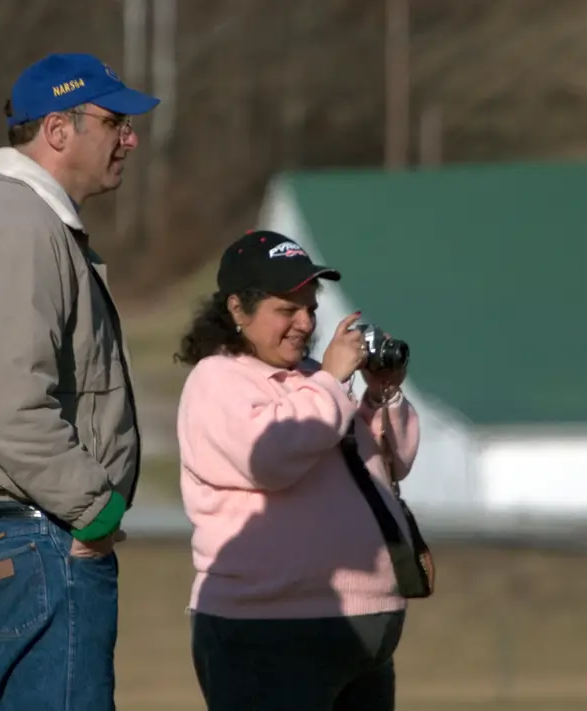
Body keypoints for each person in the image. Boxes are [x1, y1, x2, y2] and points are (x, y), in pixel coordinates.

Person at [0, 53, 159, 711]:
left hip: (44, 533)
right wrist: (95, 506)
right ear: (58, 130)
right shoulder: (17, 226)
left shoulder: (26, 222)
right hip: (44, 534)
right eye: (114, 121)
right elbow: (6, 402)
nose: (130, 138)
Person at [174, 230, 423, 711]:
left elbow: (394, 463)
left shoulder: (315, 381)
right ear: (237, 311)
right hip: (268, 631)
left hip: (364, 628)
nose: (305, 323)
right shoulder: (217, 380)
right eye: (286, 310)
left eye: (310, 307)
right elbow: (271, 458)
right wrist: (332, 381)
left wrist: (381, 394)